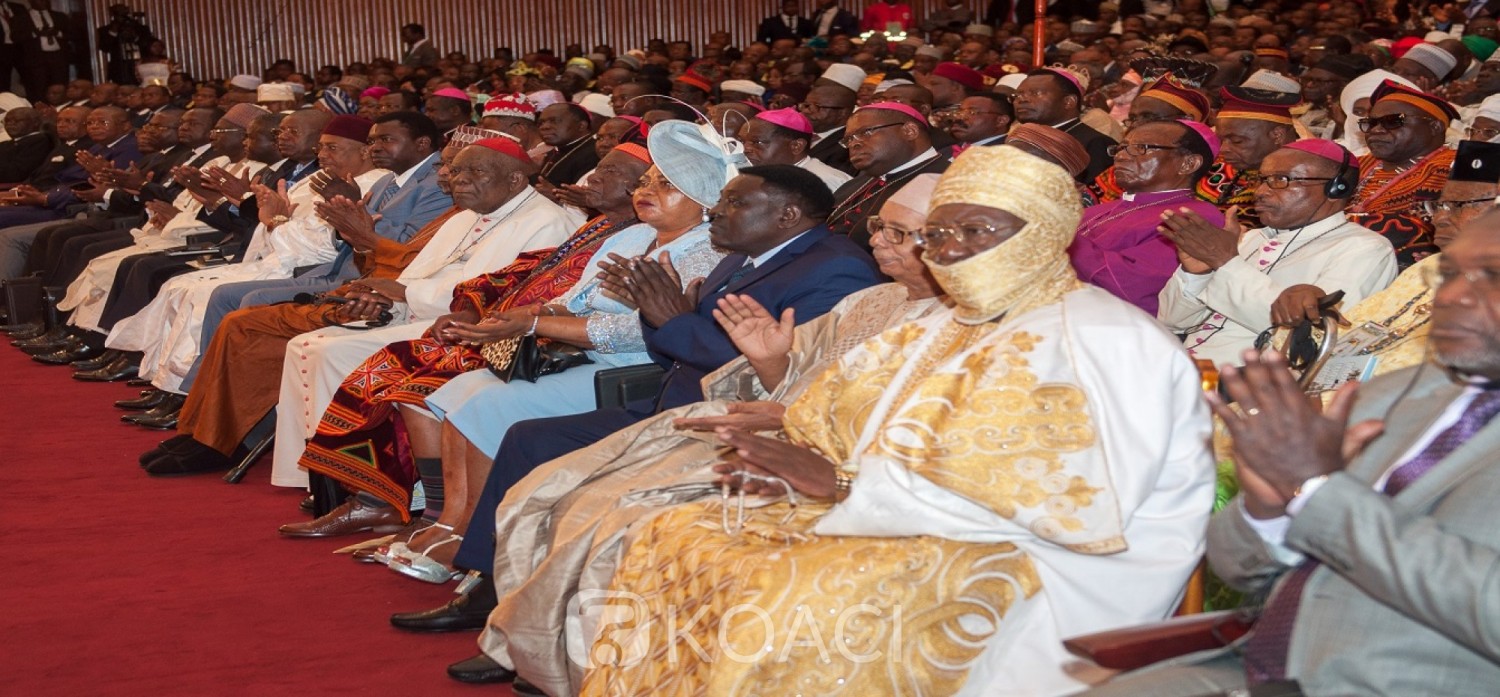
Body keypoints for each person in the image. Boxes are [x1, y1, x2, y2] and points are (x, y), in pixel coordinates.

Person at [568, 144, 1215, 696]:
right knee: (673, 534)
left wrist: (845, 483)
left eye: (977, 231)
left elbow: (1067, 504)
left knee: (785, 595)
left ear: (1043, 233)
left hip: (1049, 564)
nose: (950, 251)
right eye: (938, 234)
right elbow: (838, 415)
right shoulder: (940, 321)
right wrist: (798, 456)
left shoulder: (1103, 339)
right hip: (902, 510)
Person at [412, 176, 949, 692]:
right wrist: (672, 318)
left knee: (596, 503)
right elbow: (771, 365)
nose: (877, 240)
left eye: (898, 233)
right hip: (696, 402)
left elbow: (792, 388)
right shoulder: (865, 299)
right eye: (878, 226)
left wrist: (681, 323)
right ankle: (500, 602)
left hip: (764, 430)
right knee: (535, 454)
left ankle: (563, 649)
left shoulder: (843, 274)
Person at [1082, 205, 1500, 696]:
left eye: (1492, 277)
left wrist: (1319, 492)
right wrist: (1268, 509)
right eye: (1448, 274)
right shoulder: (1391, 394)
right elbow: (1239, 569)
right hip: (1253, 662)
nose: (1450, 296)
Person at [279, 145, 652, 514]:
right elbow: (521, 271)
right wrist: (469, 307)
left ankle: (404, 501)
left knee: (408, 367)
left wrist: (505, 319)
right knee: (394, 360)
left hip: (551, 345)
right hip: (498, 325)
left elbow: (577, 303)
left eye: (612, 172)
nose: (594, 177)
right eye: (599, 168)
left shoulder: (625, 233)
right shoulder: (600, 226)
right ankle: (382, 497)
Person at [138, 133, 485, 476]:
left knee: (250, 329)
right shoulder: (460, 215)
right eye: (446, 166)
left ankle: (227, 440)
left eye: (458, 169)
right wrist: (362, 243)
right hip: (374, 294)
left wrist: (370, 246)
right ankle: (200, 431)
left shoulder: (498, 221)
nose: (447, 175)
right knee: (239, 322)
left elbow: (466, 289)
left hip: (412, 314)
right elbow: (403, 261)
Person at [1157, 140, 1399, 368]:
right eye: (1262, 179)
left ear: (1335, 188)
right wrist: (1196, 273)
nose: (1260, 191)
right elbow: (1172, 321)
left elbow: (1313, 339)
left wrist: (1225, 262)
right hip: (1183, 368)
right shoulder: (1250, 238)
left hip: (1252, 383)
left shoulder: (1364, 249)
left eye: (1281, 179)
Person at [1069, 120, 1223, 314]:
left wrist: (1060, 234)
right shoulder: (1096, 210)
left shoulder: (1195, 217)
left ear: (1188, 163)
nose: (1120, 156)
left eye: (1141, 148)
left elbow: (1132, 287)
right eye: (1121, 148)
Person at [1345, 79, 1458, 269]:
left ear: (1435, 127)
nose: (1376, 130)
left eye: (1393, 121)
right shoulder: (1355, 164)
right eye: (1371, 123)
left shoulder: (1454, 167)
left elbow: (1429, 230)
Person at [825, 101, 948, 248]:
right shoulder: (856, 183)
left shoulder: (945, 183)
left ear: (910, 131)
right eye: (849, 139)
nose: (853, 144)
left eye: (866, 132)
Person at [1012, 65, 1117, 183]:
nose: (1022, 100)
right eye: (1017, 95)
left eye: (1036, 93)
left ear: (1069, 102)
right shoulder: (1018, 138)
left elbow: (1096, 191)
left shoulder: (1096, 143)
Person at [735, 106, 851, 192]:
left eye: (757, 142)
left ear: (796, 146)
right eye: (741, 141)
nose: (745, 149)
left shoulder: (828, 182)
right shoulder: (739, 171)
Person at [799, 82, 857, 174]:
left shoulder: (849, 146)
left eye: (817, 107)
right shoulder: (797, 131)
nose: (806, 111)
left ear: (842, 113)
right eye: (806, 105)